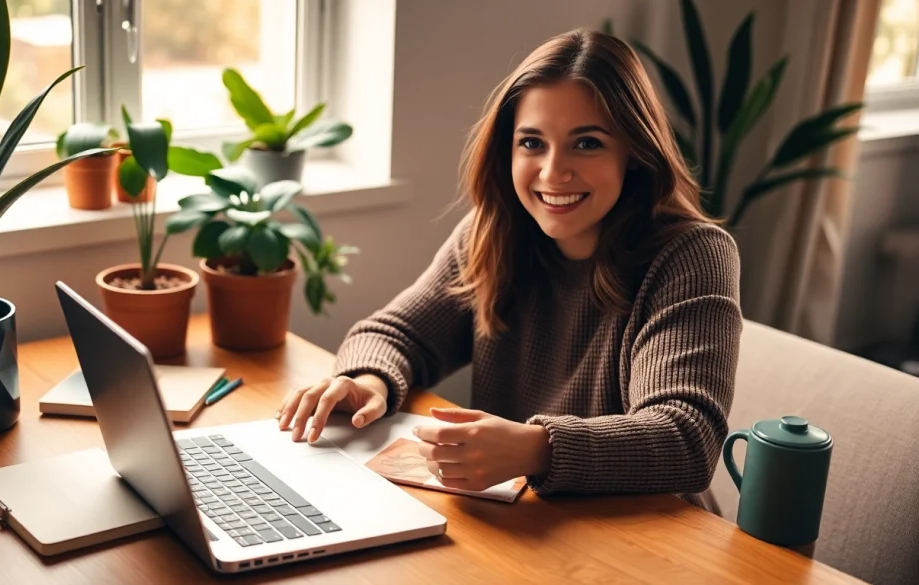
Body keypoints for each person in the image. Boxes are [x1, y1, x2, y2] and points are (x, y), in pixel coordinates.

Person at [275, 27, 742, 511]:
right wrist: (368, 382)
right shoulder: (493, 232)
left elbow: (687, 437)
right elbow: (396, 333)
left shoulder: (692, 254)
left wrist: (536, 447)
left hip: (656, 539)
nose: (553, 171)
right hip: (526, 521)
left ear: (634, 152)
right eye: (532, 143)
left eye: (587, 144)